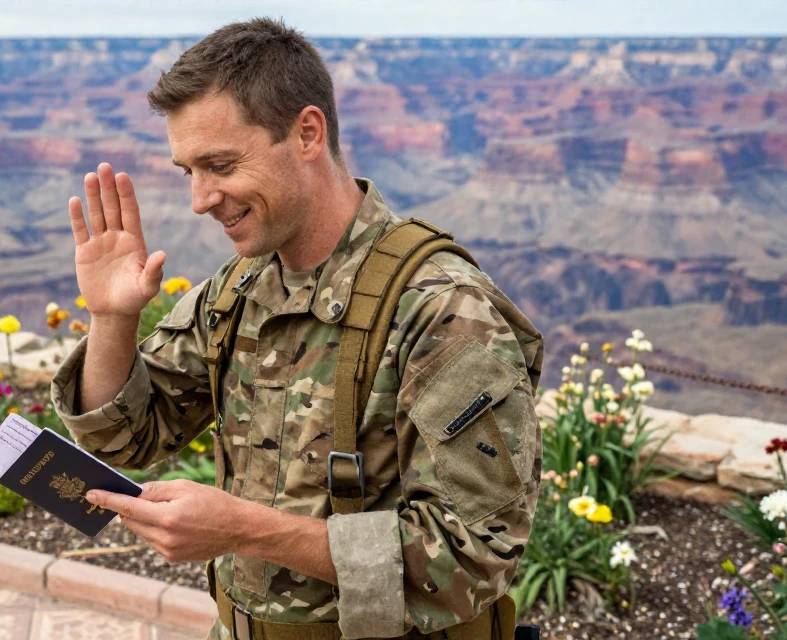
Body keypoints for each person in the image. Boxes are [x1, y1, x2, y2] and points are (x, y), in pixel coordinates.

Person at [48, 17, 544, 640]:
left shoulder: (442, 310)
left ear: (307, 133)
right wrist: (113, 319)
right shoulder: (241, 289)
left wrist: (243, 530)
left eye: (220, 164)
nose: (199, 199)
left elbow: (475, 557)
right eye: (187, 171)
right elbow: (124, 441)